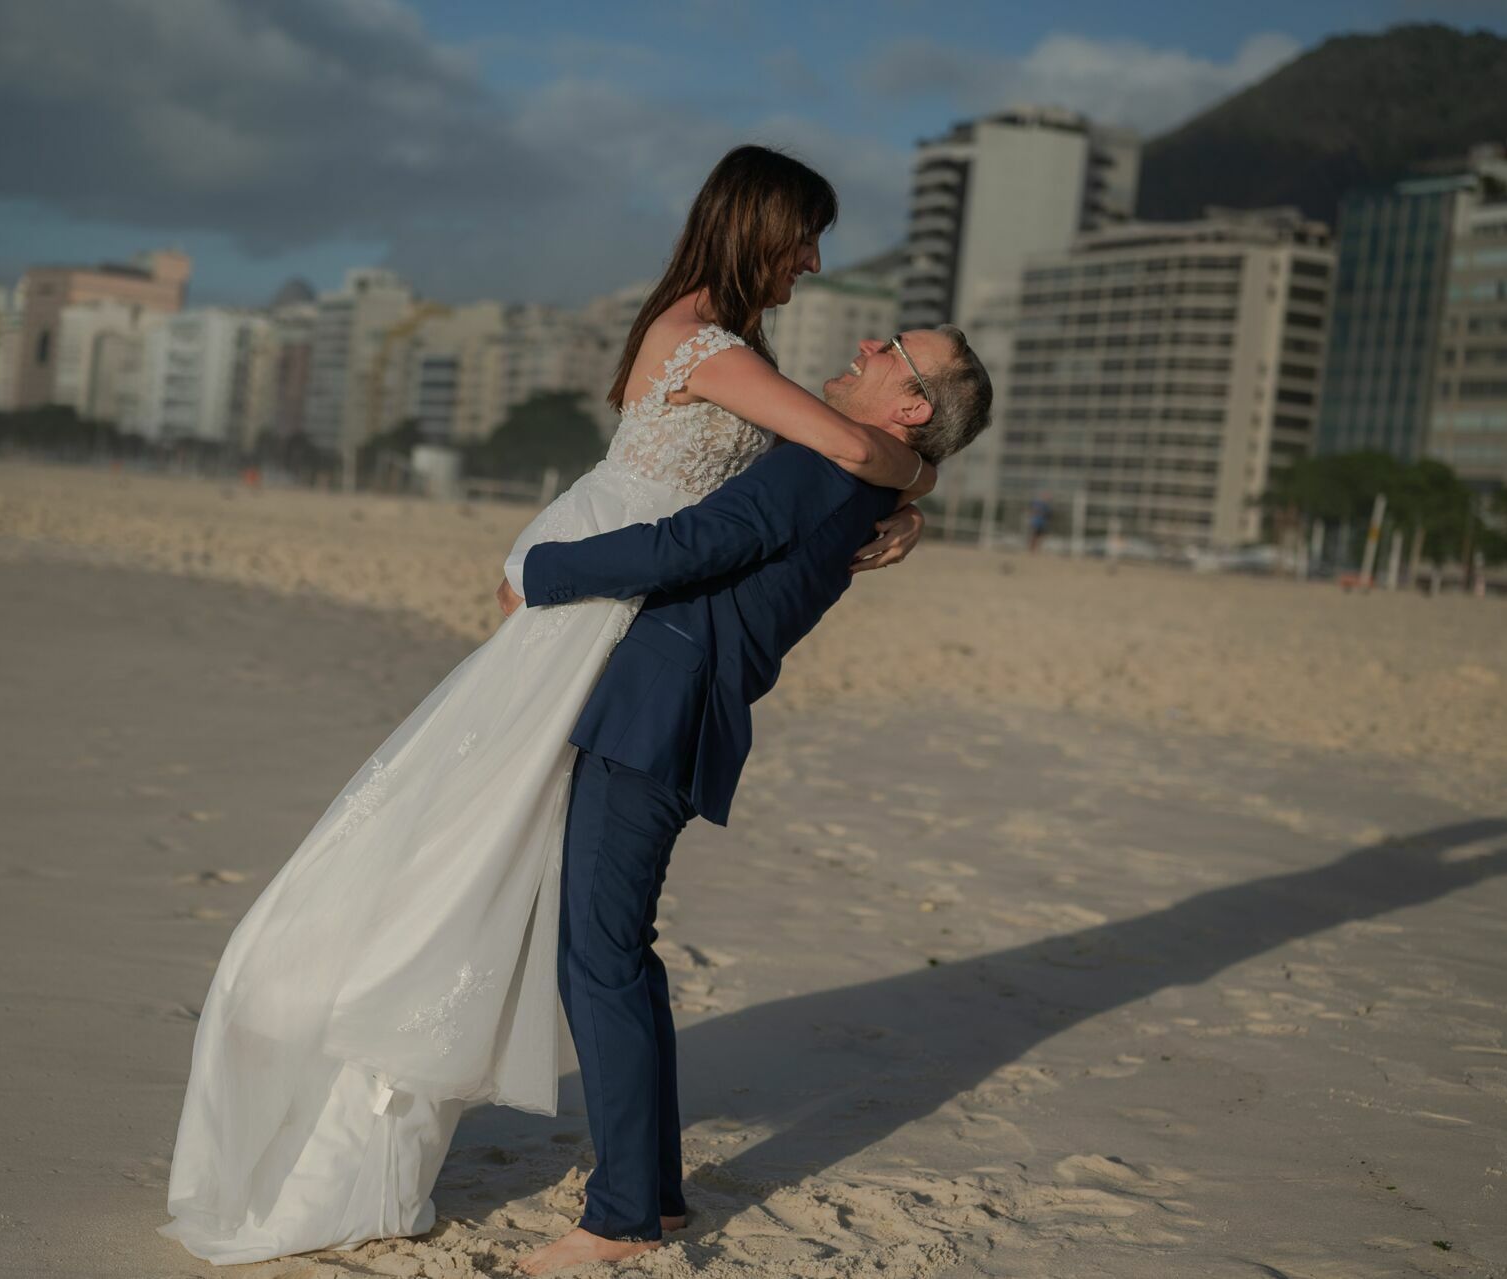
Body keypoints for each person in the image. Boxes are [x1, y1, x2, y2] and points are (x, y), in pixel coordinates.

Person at [158, 145, 934, 1265]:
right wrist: (914, 485)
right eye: (804, 236)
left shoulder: (728, 344)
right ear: (755, 227)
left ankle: (620, 1186)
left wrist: (912, 490)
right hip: (596, 599)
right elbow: (858, 442)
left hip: (619, 602)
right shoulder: (699, 341)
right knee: (474, 866)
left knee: (525, 888)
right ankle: (525, 1156)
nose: (815, 260)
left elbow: (855, 447)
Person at [508, 325, 993, 1274]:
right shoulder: (866, 476)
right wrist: (916, 497)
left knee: (600, 959)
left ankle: (618, 1222)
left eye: (891, 345)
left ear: (911, 407)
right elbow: (879, 473)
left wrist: (540, 571)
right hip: (681, 711)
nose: (865, 341)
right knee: (618, 954)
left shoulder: (829, 471)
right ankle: (654, 1196)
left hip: (659, 713)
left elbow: (692, 545)